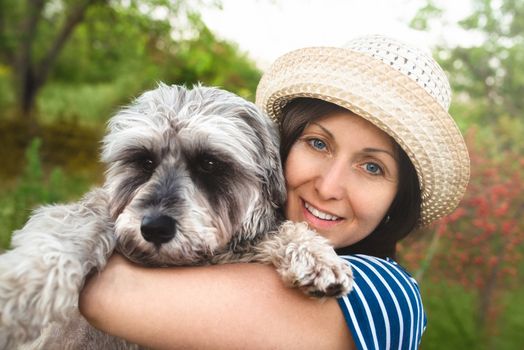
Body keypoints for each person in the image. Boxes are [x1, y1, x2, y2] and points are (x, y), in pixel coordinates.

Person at [79, 35, 470, 349]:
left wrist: (85, 236)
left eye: (372, 167)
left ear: (396, 200)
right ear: (278, 151)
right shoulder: (233, 236)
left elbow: (108, 296)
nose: (329, 186)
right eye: (318, 144)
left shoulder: (387, 297)